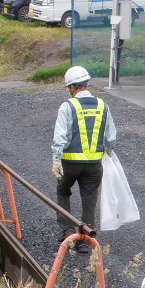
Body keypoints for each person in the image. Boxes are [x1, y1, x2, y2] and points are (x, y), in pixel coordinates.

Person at [51, 66, 117, 255]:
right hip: (94, 165)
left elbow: (60, 137)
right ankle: (86, 238)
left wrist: (56, 159)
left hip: (69, 164)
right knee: (89, 198)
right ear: (87, 84)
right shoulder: (103, 105)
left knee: (63, 191)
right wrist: (109, 150)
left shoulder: (68, 106)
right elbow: (111, 136)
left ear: (72, 87)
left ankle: (67, 230)